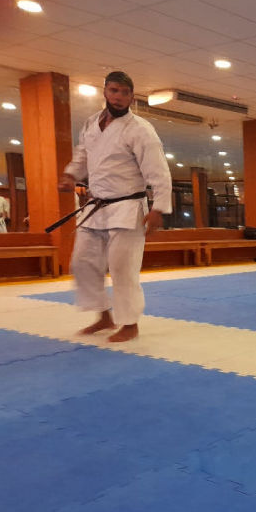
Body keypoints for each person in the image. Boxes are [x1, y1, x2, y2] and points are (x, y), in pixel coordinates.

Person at [58, 71, 172, 343]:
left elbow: (158, 171)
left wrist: (158, 208)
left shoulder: (140, 129)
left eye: (125, 92)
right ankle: (103, 316)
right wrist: (71, 174)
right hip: (96, 206)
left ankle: (130, 323)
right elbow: (83, 155)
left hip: (128, 207)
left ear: (132, 97)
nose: (119, 97)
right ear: (105, 92)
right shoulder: (91, 123)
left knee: (122, 268)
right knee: (82, 262)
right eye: (114, 90)